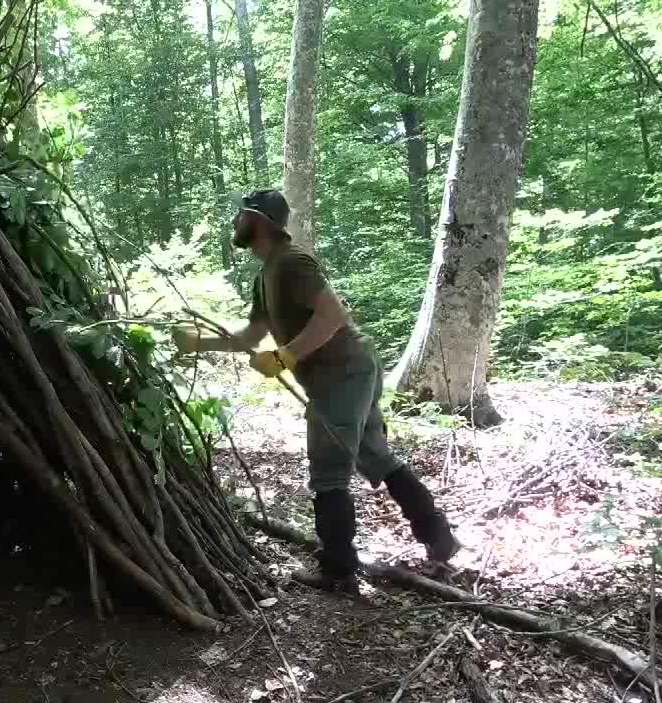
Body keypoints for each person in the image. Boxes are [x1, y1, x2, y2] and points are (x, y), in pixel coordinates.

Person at [173, 189, 459, 594]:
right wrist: (199, 342)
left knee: (328, 474)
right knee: (376, 457)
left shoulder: (292, 263)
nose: (235, 224)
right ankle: (440, 538)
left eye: (241, 216)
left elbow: (332, 314)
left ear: (259, 221)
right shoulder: (266, 274)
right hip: (349, 373)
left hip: (342, 375)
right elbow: (252, 335)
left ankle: (338, 572)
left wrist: (287, 355)